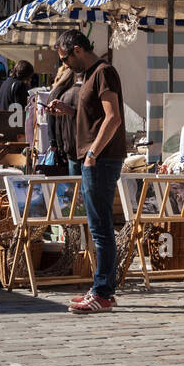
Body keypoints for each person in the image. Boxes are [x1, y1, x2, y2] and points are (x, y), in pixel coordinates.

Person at [46, 31, 124, 313]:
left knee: (101, 227)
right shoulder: (90, 75)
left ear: (77, 50)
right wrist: (69, 110)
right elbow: (96, 115)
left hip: (100, 159)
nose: (65, 65)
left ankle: (103, 292)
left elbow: (113, 116)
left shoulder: (103, 72)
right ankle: (101, 288)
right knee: (97, 225)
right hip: (93, 158)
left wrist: (93, 153)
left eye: (65, 58)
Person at [48, 62, 81, 175]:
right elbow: (57, 122)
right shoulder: (65, 94)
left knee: (72, 184)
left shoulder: (57, 92)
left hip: (65, 145)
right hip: (69, 144)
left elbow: (52, 121)